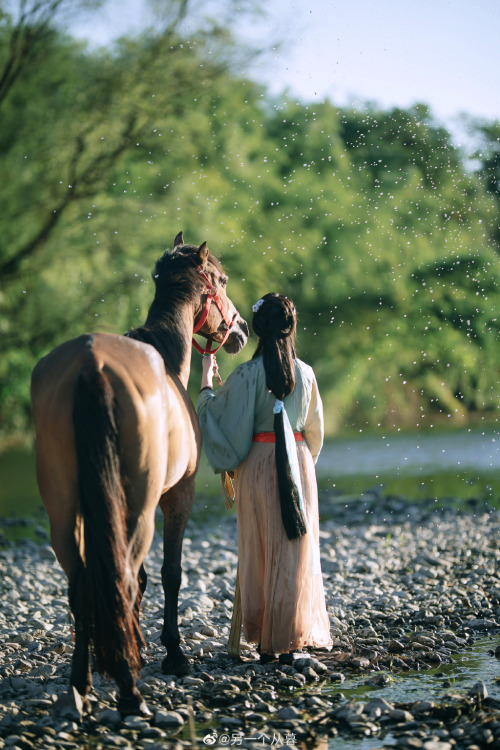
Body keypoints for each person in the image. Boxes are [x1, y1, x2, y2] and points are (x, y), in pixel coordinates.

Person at [197, 292, 331, 662]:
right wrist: (301, 466)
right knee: (296, 548)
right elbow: (315, 433)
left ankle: (264, 634)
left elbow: (221, 420)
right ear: (291, 327)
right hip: (298, 461)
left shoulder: (246, 375)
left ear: (257, 329)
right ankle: (293, 631)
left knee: (260, 544)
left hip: (258, 463)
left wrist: (207, 383)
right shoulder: (306, 374)